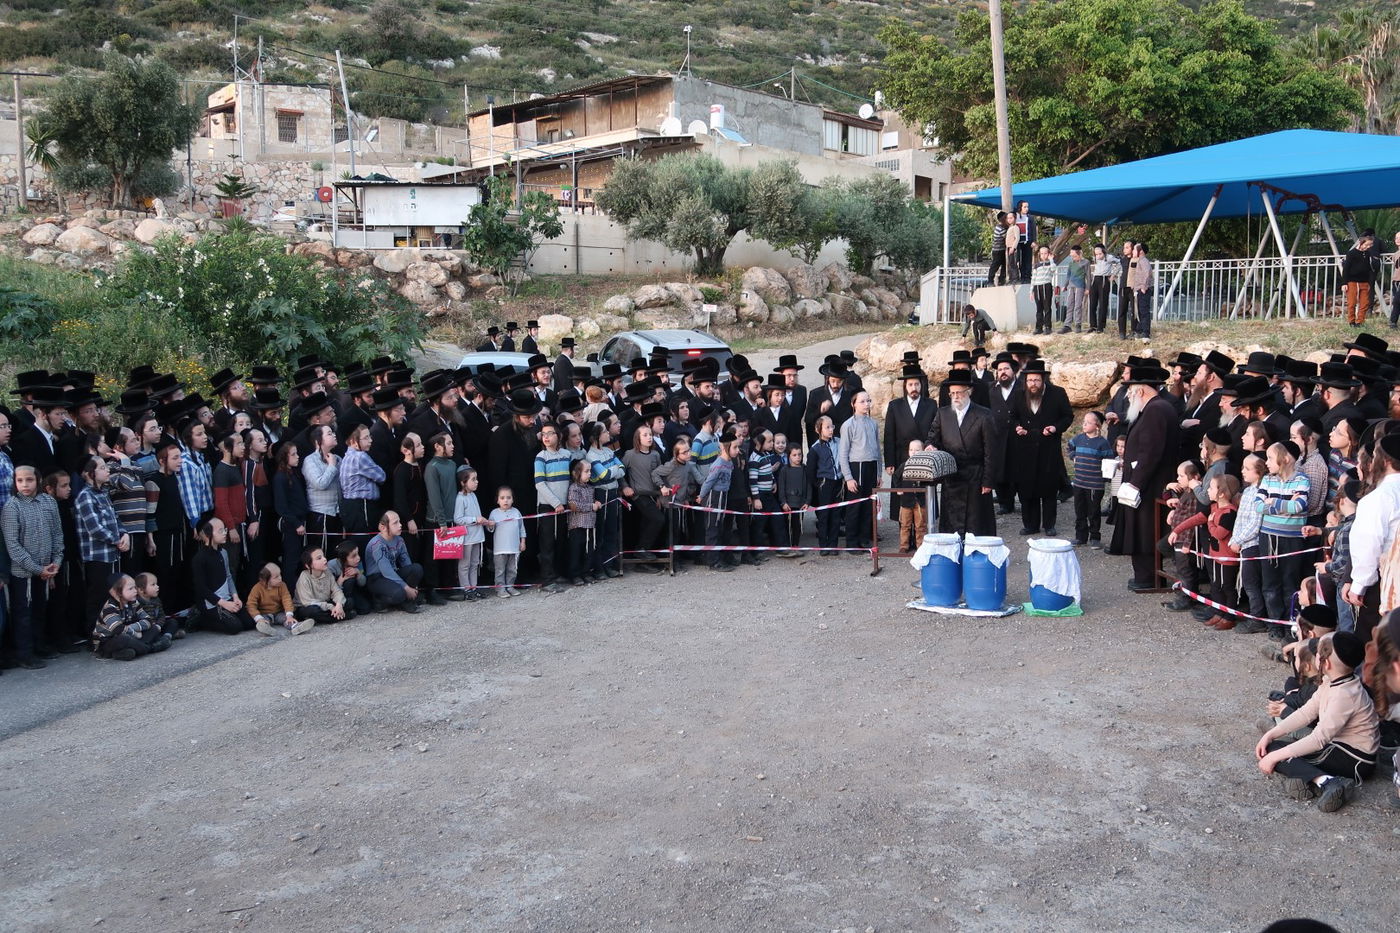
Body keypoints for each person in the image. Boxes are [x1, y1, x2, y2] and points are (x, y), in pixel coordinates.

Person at [1255, 630, 1378, 812]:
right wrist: (1271, 734)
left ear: (1325, 663)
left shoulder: (1345, 695)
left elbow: (1318, 739)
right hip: (1340, 747)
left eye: (1317, 654)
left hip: (1354, 759)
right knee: (1274, 745)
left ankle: (1326, 782)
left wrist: (1274, 756)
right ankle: (1316, 778)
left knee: (1274, 753)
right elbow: (1306, 713)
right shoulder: (1333, 680)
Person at [1118, 364, 1182, 591]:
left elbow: (1150, 452)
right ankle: (1144, 576)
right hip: (1147, 482)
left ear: (1141, 390)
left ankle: (1148, 578)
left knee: (1145, 531)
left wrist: (1135, 483)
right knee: (1142, 529)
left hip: (1150, 484)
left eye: (1130, 390)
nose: (1128, 395)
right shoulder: (1155, 408)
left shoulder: (1156, 410)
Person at [2, 465, 63, 669]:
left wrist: (56, 562)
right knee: (23, 613)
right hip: (24, 572)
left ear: (38, 480)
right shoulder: (12, 506)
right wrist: (37, 568)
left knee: (40, 608)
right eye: (20, 481)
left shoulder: (48, 502)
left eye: (29, 480)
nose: (25, 485)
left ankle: (39, 645)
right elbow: (13, 545)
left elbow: (57, 534)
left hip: (47, 568)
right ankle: (24, 653)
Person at [927, 371, 998, 536]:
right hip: (952, 477)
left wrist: (988, 480)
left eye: (959, 392)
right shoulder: (943, 413)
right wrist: (930, 446)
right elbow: (932, 438)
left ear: (969, 391)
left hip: (976, 477)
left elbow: (991, 452)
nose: (955, 396)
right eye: (952, 393)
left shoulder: (983, 414)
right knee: (952, 525)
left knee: (976, 525)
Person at [1007, 361, 1072, 536]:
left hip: (1048, 448)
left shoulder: (1057, 393)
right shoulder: (1019, 395)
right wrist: (1017, 427)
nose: (1033, 384)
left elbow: (1067, 417)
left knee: (1049, 489)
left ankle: (1049, 525)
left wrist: (1055, 428)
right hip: (1025, 449)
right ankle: (1030, 525)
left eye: (1036, 380)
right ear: (1025, 381)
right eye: (1030, 380)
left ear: (1043, 380)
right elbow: (1012, 417)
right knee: (1028, 489)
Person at [1257, 441, 1311, 630]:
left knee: (1290, 582)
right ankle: (1274, 625)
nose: (1266, 462)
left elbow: (1299, 506)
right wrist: (1285, 504)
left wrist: (1273, 502)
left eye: (1271, 458)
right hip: (1268, 537)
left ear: (1285, 459)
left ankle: (1290, 625)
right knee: (1270, 583)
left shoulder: (1302, 480)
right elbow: (1258, 506)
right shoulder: (1267, 480)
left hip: (1292, 539)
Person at [190, 517, 253, 634]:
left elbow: (228, 576)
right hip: (211, 603)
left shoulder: (223, 553)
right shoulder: (199, 558)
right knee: (235, 627)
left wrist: (235, 597)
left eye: (224, 530)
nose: (225, 533)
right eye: (220, 531)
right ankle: (201, 619)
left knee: (249, 623)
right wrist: (223, 603)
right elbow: (201, 588)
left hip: (226, 598)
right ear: (208, 534)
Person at [836, 390, 881, 551]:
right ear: (853, 404)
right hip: (857, 467)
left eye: (868, 401)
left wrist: (879, 473)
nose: (866, 404)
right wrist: (848, 477)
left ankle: (864, 538)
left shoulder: (873, 424)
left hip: (871, 467)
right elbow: (843, 453)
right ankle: (852, 541)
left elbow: (877, 450)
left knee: (868, 504)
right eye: (862, 401)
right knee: (855, 506)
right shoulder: (848, 425)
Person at [92, 573, 172, 661]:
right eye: (130, 588)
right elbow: (118, 629)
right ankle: (152, 648)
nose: (135, 591)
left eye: (134, 587)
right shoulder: (110, 607)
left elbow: (148, 620)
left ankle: (125, 653)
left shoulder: (134, 602)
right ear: (118, 592)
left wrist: (132, 629)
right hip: (107, 642)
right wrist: (135, 633)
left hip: (130, 635)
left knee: (153, 628)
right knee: (124, 639)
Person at [364, 510, 424, 612]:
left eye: (399, 521)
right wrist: (406, 588)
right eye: (395, 523)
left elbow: (406, 563)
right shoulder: (377, 544)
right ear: (383, 527)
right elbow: (386, 570)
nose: (400, 525)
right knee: (399, 593)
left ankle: (406, 601)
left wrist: (413, 584)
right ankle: (380, 601)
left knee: (417, 568)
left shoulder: (399, 540)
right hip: (377, 578)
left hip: (392, 573)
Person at [1067, 412, 1113, 548]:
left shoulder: (1103, 443)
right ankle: (1080, 537)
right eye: (1084, 422)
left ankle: (1095, 537)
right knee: (1079, 511)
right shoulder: (1078, 438)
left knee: (1093, 512)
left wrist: (1104, 478)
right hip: (1079, 482)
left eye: (1088, 422)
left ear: (1097, 425)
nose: (1084, 424)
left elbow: (1109, 461)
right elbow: (1069, 447)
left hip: (1095, 485)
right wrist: (1073, 456)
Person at [453, 466, 490, 598]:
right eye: (473, 479)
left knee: (475, 564)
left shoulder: (473, 495)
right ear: (463, 482)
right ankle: (466, 589)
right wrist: (475, 519)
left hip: (477, 536)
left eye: (476, 479)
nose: (477, 482)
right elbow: (457, 518)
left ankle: (473, 588)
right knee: (464, 564)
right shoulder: (460, 499)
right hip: (466, 538)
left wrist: (484, 521)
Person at [248, 561, 314, 636]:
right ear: (265, 580)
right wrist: (258, 618)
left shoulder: (282, 585)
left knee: (287, 619)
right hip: (264, 614)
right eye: (276, 577)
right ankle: (266, 629)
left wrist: (289, 615)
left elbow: (287, 599)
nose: (280, 578)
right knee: (263, 622)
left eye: (280, 575)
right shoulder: (257, 588)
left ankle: (296, 627)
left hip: (278, 613)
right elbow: (251, 604)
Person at [293, 546, 352, 625]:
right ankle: (343, 616)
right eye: (319, 558)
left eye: (323, 556)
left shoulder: (327, 572)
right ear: (308, 565)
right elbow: (308, 602)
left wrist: (338, 604)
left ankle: (324, 618)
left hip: (325, 603)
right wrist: (330, 607)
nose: (324, 559)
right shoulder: (304, 577)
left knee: (350, 602)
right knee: (313, 611)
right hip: (308, 606)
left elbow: (336, 590)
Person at [565, 458, 601, 585]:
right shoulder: (573, 488)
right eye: (587, 471)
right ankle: (575, 575)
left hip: (590, 526)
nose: (590, 474)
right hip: (577, 526)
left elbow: (593, 503)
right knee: (576, 552)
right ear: (577, 473)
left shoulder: (591, 488)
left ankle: (586, 572)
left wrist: (596, 503)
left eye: (590, 471)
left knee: (589, 551)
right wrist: (591, 506)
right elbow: (573, 505)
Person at [489, 486, 526, 597]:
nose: (506, 500)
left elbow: (521, 528)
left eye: (508, 497)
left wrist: (523, 541)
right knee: (500, 570)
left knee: (512, 569)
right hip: (500, 549)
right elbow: (490, 529)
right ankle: (500, 589)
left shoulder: (516, 512)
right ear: (497, 500)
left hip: (514, 548)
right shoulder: (494, 513)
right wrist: (490, 525)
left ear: (513, 500)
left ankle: (510, 586)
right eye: (502, 498)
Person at [1342, 234, 1379, 326]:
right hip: (1352, 281)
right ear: (1361, 243)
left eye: (1370, 245)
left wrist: (1370, 282)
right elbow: (1346, 268)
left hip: (1364, 281)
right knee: (1352, 303)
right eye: (1367, 244)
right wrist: (1344, 283)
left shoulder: (1368, 253)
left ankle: (1360, 321)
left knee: (1364, 303)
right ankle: (1351, 321)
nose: (1368, 247)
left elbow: (1370, 267)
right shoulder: (1351, 253)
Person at [1087, 243, 1118, 333]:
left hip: (1104, 279)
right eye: (1096, 254)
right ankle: (1093, 325)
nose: (1098, 256)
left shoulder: (1109, 257)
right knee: (1092, 303)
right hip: (1095, 279)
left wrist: (1113, 275)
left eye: (1100, 254)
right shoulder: (1095, 258)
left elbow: (1119, 263)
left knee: (1103, 304)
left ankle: (1101, 326)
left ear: (1104, 252)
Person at [1057, 244, 1089, 333]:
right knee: (1070, 305)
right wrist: (1065, 285)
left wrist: (1088, 288)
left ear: (1079, 254)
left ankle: (1078, 324)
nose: (1073, 257)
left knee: (1078, 305)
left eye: (1074, 256)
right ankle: (1067, 325)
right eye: (1072, 256)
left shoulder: (1085, 262)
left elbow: (1088, 276)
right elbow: (1068, 276)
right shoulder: (1071, 263)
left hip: (1080, 286)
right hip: (1071, 286)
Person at [1128, 242, 1154, 338]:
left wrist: (1144, 286)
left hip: (1143, 290)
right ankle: (1139, 330)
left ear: (1141, 251)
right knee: (1138, 311)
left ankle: (1146, 332)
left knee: (1144, 311)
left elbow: (1147, 273)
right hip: (1139, 289)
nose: (1133, 251)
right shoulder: (1139, 261)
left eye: (1135, 249)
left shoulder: (1144, 261)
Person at [1029, 246, 1056, 335]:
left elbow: (1053, 269)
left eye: (1045, 253)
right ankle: (1038, 327)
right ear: (1039, 255)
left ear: (1049, 254)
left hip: (1046, 286)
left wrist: (1051, 259)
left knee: (1047, 307)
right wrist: (1031, 291)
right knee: (1039, 308)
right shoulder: (1037, 265)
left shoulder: (1050, 264)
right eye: (1042, 253)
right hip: (1037, 287)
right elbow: (1033, 278)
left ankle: (1048, 327)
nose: (1043, 255)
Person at [985, 211, 1009, 286]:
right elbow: (1006, 237)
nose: (1007, 219)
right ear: (1001, 219)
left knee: (1004, 265)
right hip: (997, 250)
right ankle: (990, 280)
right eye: (1005, 218)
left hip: (1002, 250)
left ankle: (1002, 279)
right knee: (995, 265)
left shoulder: (1003, 227)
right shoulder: (1000, 228)